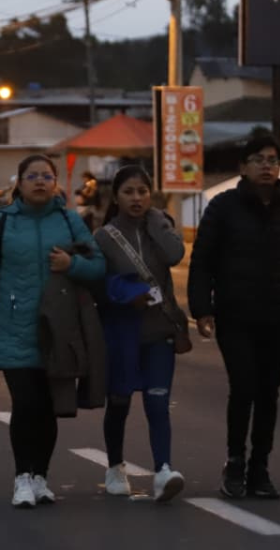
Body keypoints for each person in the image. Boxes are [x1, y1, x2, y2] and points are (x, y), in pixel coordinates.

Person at [0, 155, 106, 508]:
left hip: (60, 330)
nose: (39, 181)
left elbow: (98, 265)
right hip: (16, 327)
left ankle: (41, 477)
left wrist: (73, 265)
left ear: (55, 182)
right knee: (26, 404)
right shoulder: (3, 225)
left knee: (47, 408)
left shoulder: (71, 222)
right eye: (32, 176)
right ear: (19, 183)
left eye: (46, 176)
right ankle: (22, 478)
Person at [187, 135, 280, 500]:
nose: (267, 166)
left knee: (268, 393)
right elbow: (203, 262)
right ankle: (235, 462)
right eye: (259, 159)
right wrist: (202, 309)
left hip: (277, 315)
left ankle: (260, 467)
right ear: (242, 167)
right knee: (244, 386)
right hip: (235, 315)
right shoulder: (223, 207)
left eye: (273, 160)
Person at [92, 165, 188, 503]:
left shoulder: (159, 227)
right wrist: (123, 294)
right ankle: (115, 466)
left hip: (159, 331)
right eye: (129, 192)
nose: (137, 198)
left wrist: (157, 221)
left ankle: (163, 470)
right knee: (118, 404)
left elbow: (176, 254)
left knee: (158, 404)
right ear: (115, 197)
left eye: (143, 192)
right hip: (122, 334)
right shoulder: (103, 237)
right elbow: (96, 286)